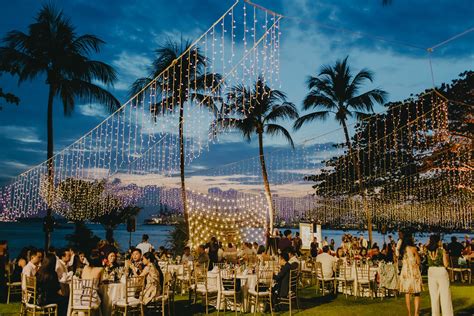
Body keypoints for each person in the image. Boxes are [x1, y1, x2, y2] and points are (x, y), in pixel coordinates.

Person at [427, 234, 453, 316]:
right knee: (445, 295)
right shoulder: (442, 251)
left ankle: (435, 314)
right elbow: (445, 264)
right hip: (441, 271)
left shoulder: (427, 251)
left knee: (434, 296)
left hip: (431, 271)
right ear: (438, 241)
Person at [399, 230, 422, 316]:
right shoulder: (413, 249)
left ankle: (409, 313)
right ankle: (416, 313)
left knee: (407, 293)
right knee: (416, 293)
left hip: (405, 272)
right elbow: (418, 262)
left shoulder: (402, 249)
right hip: (413, 272)